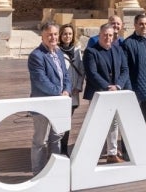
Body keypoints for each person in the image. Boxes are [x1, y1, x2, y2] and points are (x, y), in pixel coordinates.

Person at [28, 22, 72, 176]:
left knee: (56, 138)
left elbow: (66, 75)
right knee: (40, 141)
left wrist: (67, 89)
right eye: (49, 35)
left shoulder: (59, 52)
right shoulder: (36, 56)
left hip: (58, 103)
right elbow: (41, 80)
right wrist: (59, 93)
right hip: (43, 105)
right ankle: (38, 173)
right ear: (43, 36)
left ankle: (55, 171)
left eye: (55, 34)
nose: (53, 37)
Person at [83, 23, 131, 164]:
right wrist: (107, 86)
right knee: (96, 123)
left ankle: (112, 154)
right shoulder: (91, 51)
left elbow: (125, 69)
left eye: (110, 35)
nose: (108, 38)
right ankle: (91, 153)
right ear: (99, 35)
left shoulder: (117, 49)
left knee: (114, 123)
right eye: (105, 35)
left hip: (115, 92)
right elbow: (92, 73)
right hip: (99, 93)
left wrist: (118, 86)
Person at [121, 13, 146, 123]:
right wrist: (129, 88)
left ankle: (141, 140)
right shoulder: (128, 43)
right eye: (141, 24)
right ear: (135, 25)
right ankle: (127, 141)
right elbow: (125, 68)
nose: (144, 26)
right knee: (132, 118)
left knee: (145, 115)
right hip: (135, 87)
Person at [57, 23, 84, 156]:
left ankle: (64, 148)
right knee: (58, 121)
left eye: (70, 34)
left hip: (73, 92)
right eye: (65, 34)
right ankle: (55, 148)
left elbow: (81, 70)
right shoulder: (56, 50)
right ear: (61, 35)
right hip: (60, 92)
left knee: (67, 121)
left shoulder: (77, 50)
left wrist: (78, 87)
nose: (67, 36)